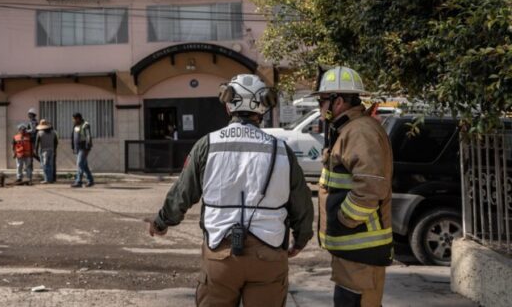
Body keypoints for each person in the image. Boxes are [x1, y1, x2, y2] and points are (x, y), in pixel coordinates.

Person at [146, 74, 314, 307]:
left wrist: (161, 222)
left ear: (228, 106)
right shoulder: (281, 150)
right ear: (262, 108)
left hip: (220, 254)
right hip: (269, 254)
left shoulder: (207, 145)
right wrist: (301, 239)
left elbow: (183, 193)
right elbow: (301, 202)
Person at [314, 66, 393, 307]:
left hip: (362, 248)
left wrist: (345, 220)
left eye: (321, 100)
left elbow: (369, 187)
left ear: (338, 101)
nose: (319, 107)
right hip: (353, 250)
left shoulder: (360, 132)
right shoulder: (349, 129)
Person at [70, 112, 94, 188]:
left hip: (84, 147)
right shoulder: (76, 125)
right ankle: (90, 181)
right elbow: (74, 136)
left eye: (74, 119)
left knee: (80, 164)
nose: (73, 120)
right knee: (84, 165)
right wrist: (73, 147)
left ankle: (78, 182)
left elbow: (88, 136)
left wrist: (88, 147)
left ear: (78, 118)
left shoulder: (85, 125)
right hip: (78, 148)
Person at [35, 119, 58, 184]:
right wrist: (54, 150)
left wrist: (36, 152)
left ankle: (47, 179)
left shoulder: (39, 133)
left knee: (44, 165)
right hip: (51, 150)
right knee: (50, 165)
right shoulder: (53, 132)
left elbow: (37, 143)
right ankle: (50, 179)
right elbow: (56, 142)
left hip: (43, 151)